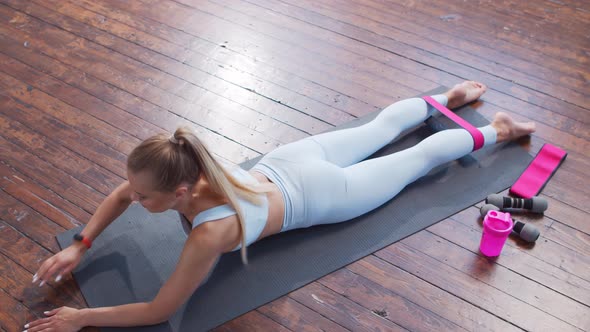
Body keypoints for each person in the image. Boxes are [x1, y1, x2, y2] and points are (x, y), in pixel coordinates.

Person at [24, 81, 535, 331]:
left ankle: (499, 130)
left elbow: (163, 308)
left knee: (419, 159)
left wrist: (82, 319)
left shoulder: (209, 234)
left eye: (144, 197)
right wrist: (82, 245)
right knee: (376, 130)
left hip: (324, 196)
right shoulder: (186, 162)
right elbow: (120, 193)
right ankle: (442, 98)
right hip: (293, 159)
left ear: (179, 194)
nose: (133, 199)